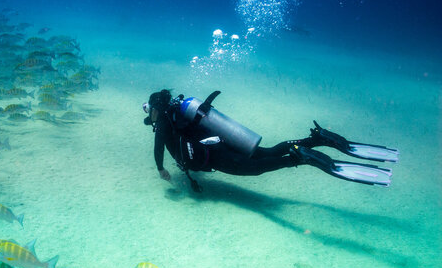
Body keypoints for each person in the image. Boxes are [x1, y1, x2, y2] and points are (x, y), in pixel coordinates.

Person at [143, 89, 398, 192]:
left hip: (214, 155)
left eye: (150, 110)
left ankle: (298, 158)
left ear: (157, 107)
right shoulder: (177, 114)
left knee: (256, 168)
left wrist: (160, 168)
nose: (150, 116)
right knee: (264, 153)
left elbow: (158, 148)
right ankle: (315, 139)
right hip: (221, 142)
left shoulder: (165, 120)